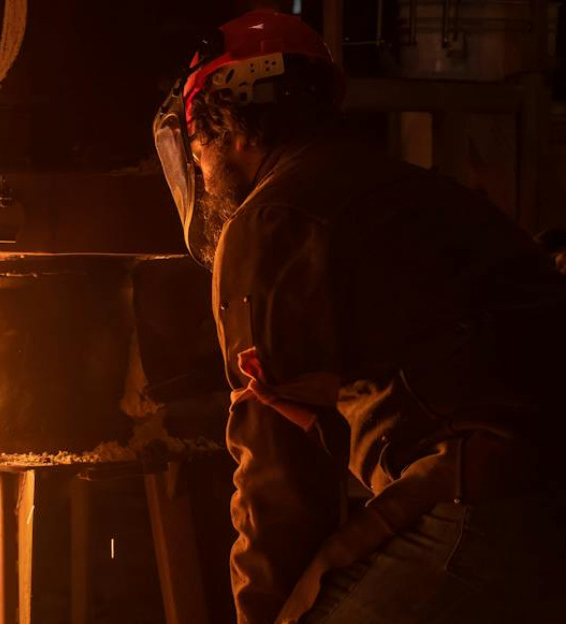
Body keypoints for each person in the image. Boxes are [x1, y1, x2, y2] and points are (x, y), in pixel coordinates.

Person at [153, 9, 566, 624]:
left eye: (197, 147)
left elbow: (277, 481)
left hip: (487, 502)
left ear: (225, 128)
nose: (204, 173)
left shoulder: (271, 218)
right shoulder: (406, 190)